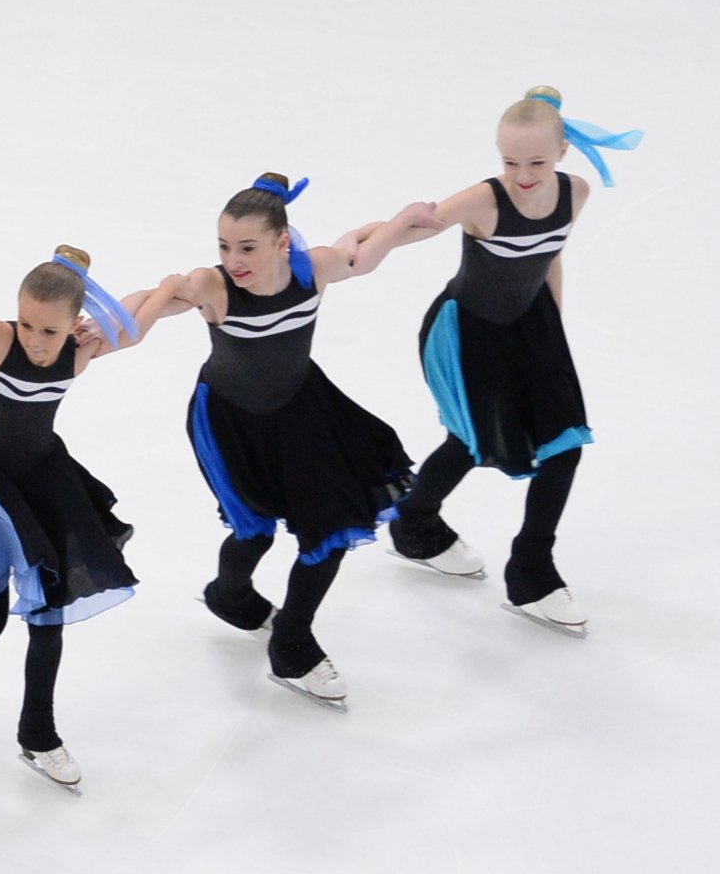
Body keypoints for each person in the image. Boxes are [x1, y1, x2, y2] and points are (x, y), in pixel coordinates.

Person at [345, 88, 641, 631]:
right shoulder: (484, 200)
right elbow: (409, 230)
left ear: (562, 153)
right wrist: (371, 243)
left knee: (565, 444)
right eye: (509, 161)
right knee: (471, 441)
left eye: (536, 162)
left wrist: (551, 327)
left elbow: (550, 257)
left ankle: (531, 570)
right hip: (467, 336)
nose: (522, 174)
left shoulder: (576, 193)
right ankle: (413, 523)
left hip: (533, 328)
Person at [124, 175, 415, 706]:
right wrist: (105, 322)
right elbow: (154, 299)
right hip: (230, 422)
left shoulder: (314, 268)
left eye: (248, 247)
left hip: (304, 412)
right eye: (224, 246)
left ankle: (292, 644)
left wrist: (418, 220)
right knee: (254, 532)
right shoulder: (214, 286)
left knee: (331, 529)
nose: (233, 258)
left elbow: (367, 252)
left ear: (283, 242)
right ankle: (230, 594)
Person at [0, 249, 145, 787]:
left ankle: (38, 733)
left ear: (74, 326)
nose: (37, 340)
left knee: (49, 612)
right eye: (29, 324)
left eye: (51, 330)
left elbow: (142, 312)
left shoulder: (78, 355)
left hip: (46, 485)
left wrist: (187, 287)